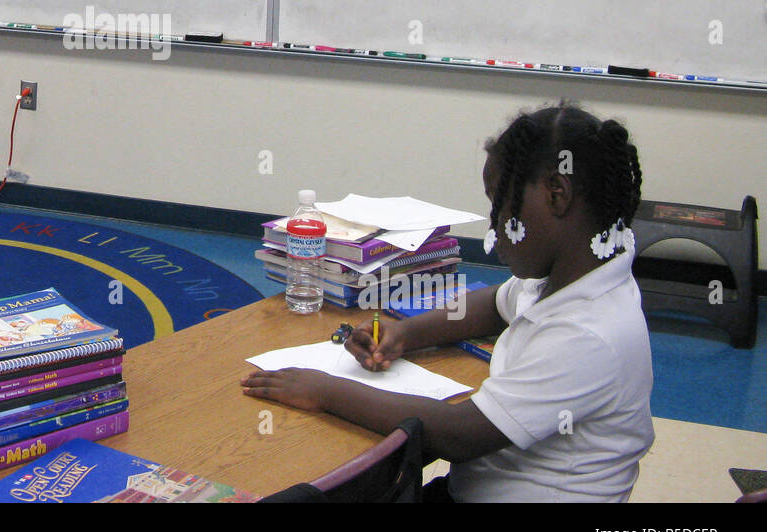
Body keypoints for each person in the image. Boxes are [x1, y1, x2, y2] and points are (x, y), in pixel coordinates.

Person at [241, 102, 653, 502]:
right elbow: (495, 304)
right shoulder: (578, 271)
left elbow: (459, 433)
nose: (494, 230)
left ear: (556, 195)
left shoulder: (588, 331)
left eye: (500, 203)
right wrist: (405, 333)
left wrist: (325, 390)